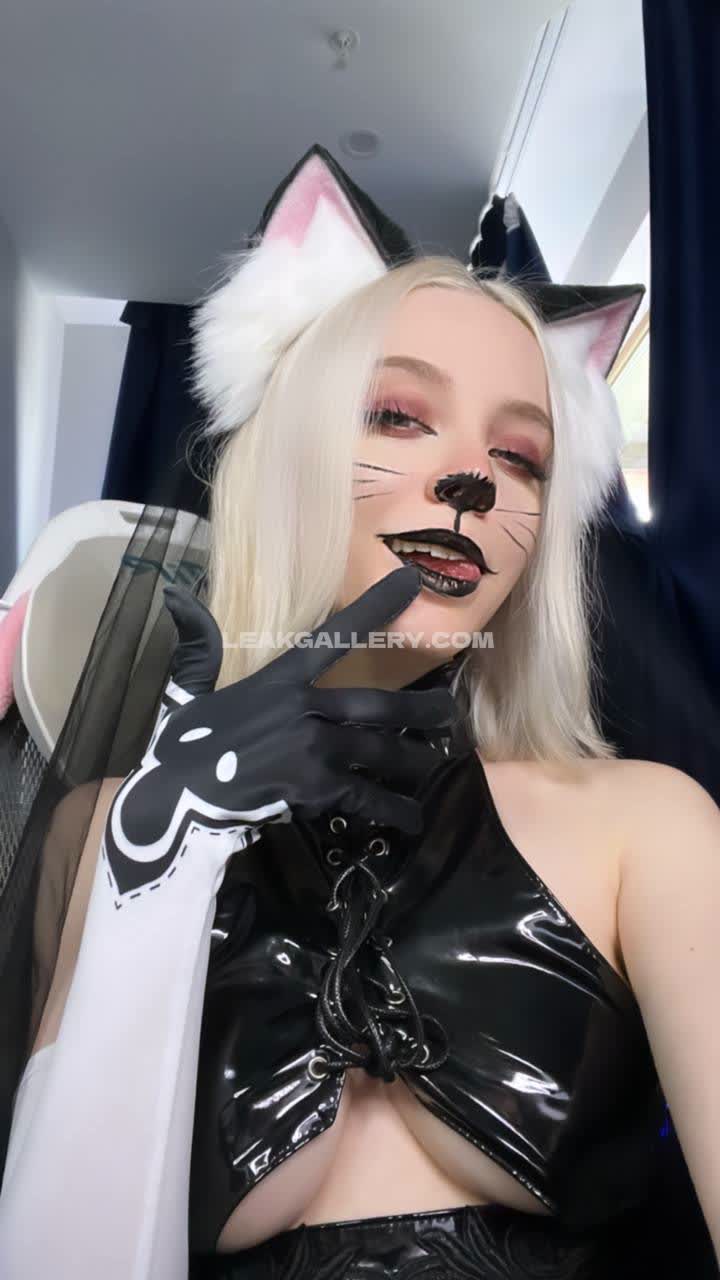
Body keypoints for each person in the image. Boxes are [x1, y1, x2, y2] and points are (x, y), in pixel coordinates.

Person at [0, 145, 718, 1280]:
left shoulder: (645, 826)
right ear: (285, 449)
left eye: (521, 455)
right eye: (396, 414)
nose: (472, 479)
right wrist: (160, 868)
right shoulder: (107, 830)